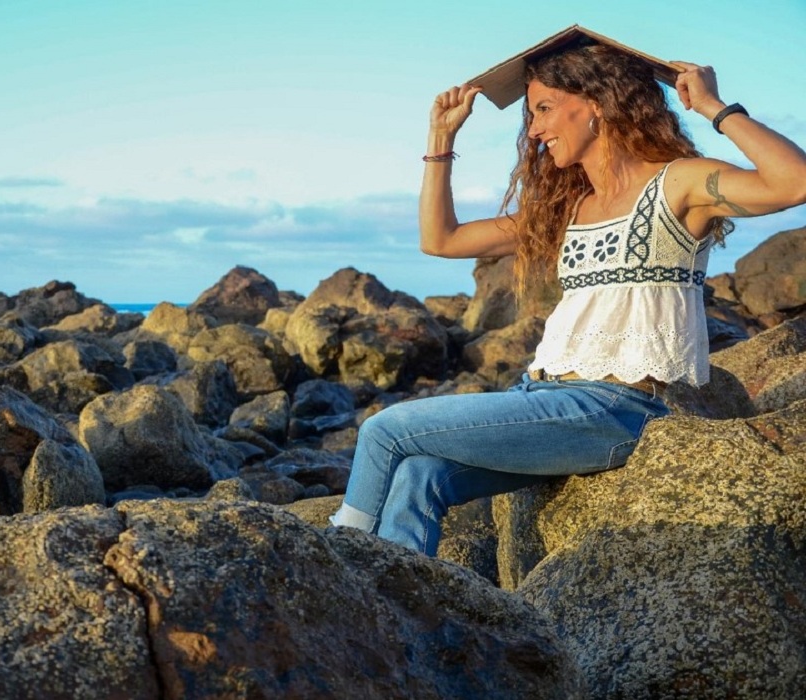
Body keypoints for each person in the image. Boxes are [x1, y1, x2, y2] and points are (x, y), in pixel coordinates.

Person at [330, 40, 806, 555]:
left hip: (616, 408)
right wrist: (440, 139)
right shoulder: (570, 208)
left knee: (385, 428)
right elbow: (440, 239)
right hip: (540, 399)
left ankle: (337, 571)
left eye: (544, 108)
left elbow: (794, 183)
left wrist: (714, 107)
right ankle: (396, 610)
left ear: (596, 104)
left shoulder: (677, 185)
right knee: (418, 476)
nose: (533, 129)